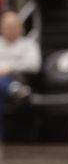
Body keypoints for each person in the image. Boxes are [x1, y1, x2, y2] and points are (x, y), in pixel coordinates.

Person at [0, 11, 39, 144]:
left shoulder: (28, 45)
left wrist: (11, 68)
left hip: (20, 78)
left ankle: (13, 87)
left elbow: (34, 65)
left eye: (13, 26)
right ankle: (13, 89)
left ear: (20, 28)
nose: (9, 30)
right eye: (6, 26)